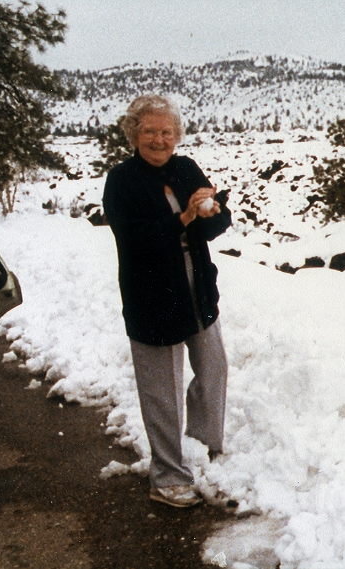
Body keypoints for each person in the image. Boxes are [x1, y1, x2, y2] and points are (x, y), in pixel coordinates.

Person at [103, 94, 232, 507]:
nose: (159, 139)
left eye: (166, 131)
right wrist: (183, 219)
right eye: (149, 131)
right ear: (133, 134)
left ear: (176, 135)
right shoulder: (122, 180)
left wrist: (212, 212)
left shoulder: (186, 168)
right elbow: (133, 239)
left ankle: (201, 446)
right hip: (152, 294)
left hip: (195, 284)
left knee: (213, 369)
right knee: (162, 391)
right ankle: (168, 475)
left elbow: (216, 224)